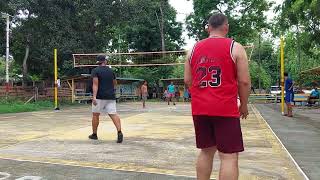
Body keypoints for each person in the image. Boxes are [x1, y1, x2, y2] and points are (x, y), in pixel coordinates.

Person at [184, 13, 251, 180]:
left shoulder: (192, 49)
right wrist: (243, 104)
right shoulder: (235, 47)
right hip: (225, 109)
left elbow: (187, 80)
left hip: (200, 109)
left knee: (206, 151)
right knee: (228, 156)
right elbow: (244, 82)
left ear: (208, 28)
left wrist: (201, 95)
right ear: (226, 27)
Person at [89, 55, 123, 143]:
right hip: (110, 97)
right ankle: (119, 132)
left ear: (98, 62)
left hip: (99, 97)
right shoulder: (111, 71)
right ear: (105, 61)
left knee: (95, 115)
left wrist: (94, 97)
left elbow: (95, 84)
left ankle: (94, 134)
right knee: (113, 114)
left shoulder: (95, 71)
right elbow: (115, 83)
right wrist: (112, 90)